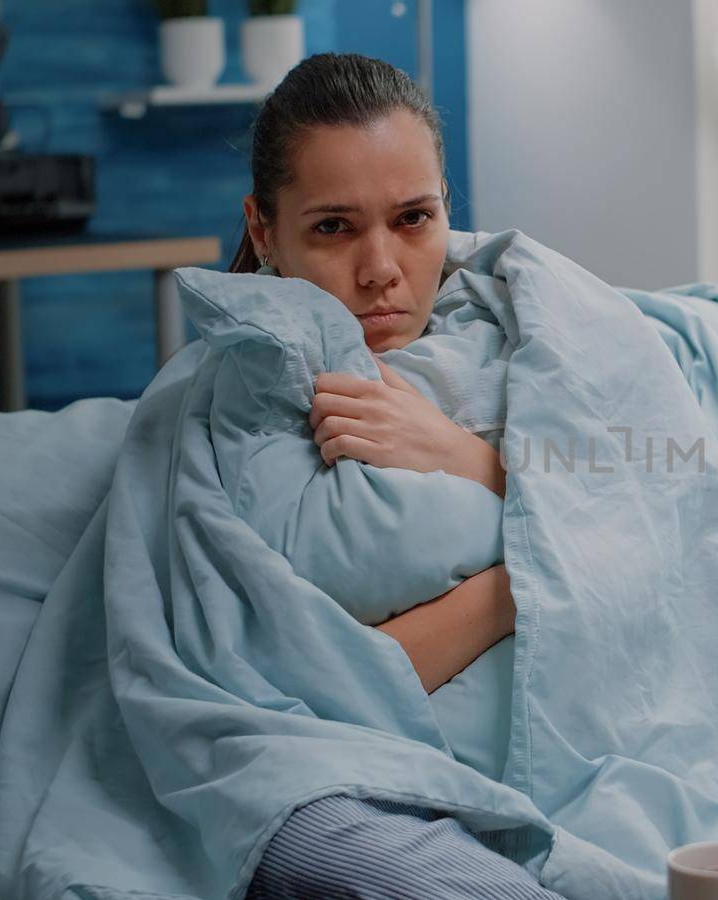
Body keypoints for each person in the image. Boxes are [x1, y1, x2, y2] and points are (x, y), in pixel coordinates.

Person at [229, 52, 562, 900]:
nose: (381, 268)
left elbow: (659, 528)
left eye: (414, 219)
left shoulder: (539, 332)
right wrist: (528, 580)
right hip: (352, 778)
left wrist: (462, 457)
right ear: (265, 231)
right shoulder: (239, 409)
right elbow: (298, 693)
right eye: (334, 228)